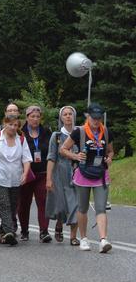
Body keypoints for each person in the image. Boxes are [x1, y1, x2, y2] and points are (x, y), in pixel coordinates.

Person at [60, 103, 114, 253]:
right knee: (82, 208)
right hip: (83, 174)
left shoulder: (106, 132)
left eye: (98, 118)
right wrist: (75, 155)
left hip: (101, 174)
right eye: (93, 118)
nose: (96, 121)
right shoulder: (79, 132)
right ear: (88, 117)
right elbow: (63, 149)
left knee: (101, 207)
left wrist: (109, 158)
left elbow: (110, 151)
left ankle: (103, 240)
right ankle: (83, 238)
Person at [0, 115, 32, 245]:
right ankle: (10, 231)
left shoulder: (21, 139)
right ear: (5, 124)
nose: (13, 128)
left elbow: (26, 159)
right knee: (4, 203)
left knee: (13, 206)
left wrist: (25, 174)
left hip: (16, 178)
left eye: (16, 125)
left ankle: (2, 233)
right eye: (11, 125)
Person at [45, 106, 80, 245]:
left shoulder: (80, 133)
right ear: (61, 117)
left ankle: (73, 237)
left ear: (74, 116)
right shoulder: (57, 136)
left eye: (70, 114)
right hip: (59, 174)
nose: (67, 116)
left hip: (76, 174)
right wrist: (48, 179)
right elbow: (51, 157)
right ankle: (59, 224)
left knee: (75, 205)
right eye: (64, 114)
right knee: (60, 205)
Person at [18, 105, 52, 242]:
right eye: (32, 116)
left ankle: (44, 231)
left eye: (38, 117)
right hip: (26, 173)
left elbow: (51, 152)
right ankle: (24, 230)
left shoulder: (46, 132)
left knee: (43, 202)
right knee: (24, 203)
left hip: (42, 173)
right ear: (27, 118)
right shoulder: (20, 132)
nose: (35, 119)